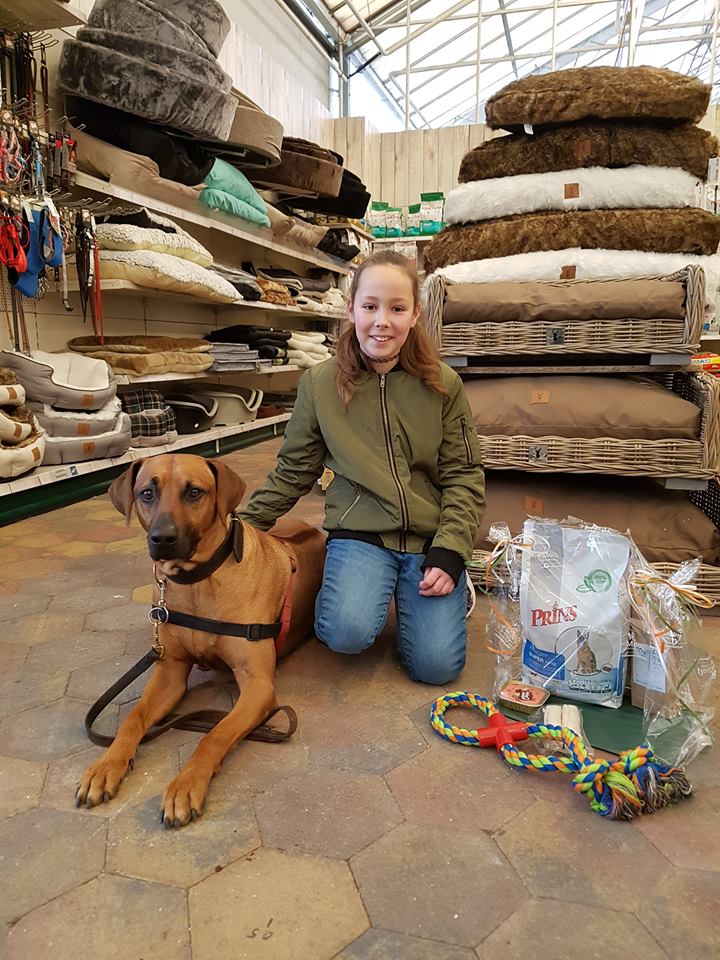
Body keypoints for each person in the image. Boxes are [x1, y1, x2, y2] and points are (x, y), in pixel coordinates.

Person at [237, 250, 485, 684]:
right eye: (370, 306)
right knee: (343, 632)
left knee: (436, 668)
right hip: (361, 533)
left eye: (397, 308)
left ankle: (441, 589)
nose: (381, 321)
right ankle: (372, 585)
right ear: (350, 309)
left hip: (430, 538)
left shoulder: (444, 385)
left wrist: (452, 550)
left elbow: (464, 475)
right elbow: (294, 470)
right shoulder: (319, 385)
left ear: (415, 315)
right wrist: (240, 526)